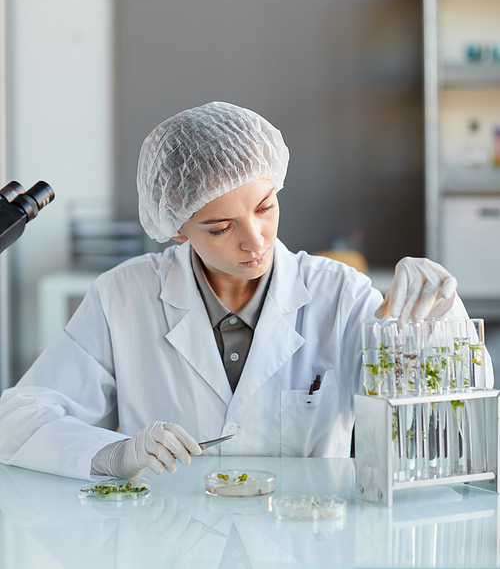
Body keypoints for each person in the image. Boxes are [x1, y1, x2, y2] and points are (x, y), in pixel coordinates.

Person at [0, 102, 493, 480]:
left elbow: (440, 435)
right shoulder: (122, 297)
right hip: (166, 542)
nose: (255, 239)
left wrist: (441, 315)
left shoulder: (337, 294)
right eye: (219, 227)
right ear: (176, 227)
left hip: (306, 543)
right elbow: (19, 421)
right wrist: (114, 453)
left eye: (265, 206)